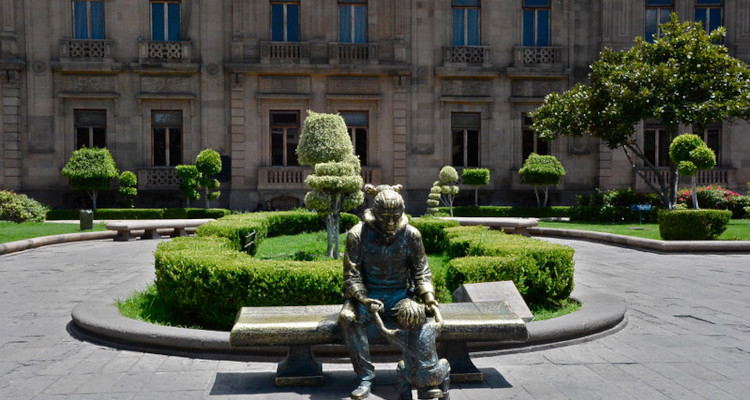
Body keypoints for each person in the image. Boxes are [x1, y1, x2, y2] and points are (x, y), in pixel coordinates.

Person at [338, 184, 440, 399]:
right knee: (347, 319)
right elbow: (351, 275)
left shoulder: (412, 235)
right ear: (374, 213)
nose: (391, 223)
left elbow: (421, 271)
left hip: (399, 296)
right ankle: (365, 376)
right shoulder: (358, 234)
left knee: (417, 316)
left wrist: (428, 298)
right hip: (367, 296)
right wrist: (364, 299)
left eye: (395, 216)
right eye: (385, 217)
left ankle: (420, 372)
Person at [371, 298, 450, 400]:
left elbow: (383, 330)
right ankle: (445, 395)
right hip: (436, 375)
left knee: (401, 366)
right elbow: (441, 322)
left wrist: (375, 313)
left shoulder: (402, 335)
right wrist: (434, 308)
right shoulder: (431, 328)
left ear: (402, 319)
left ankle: (406, 396)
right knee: (445, 363)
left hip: (415, 378)